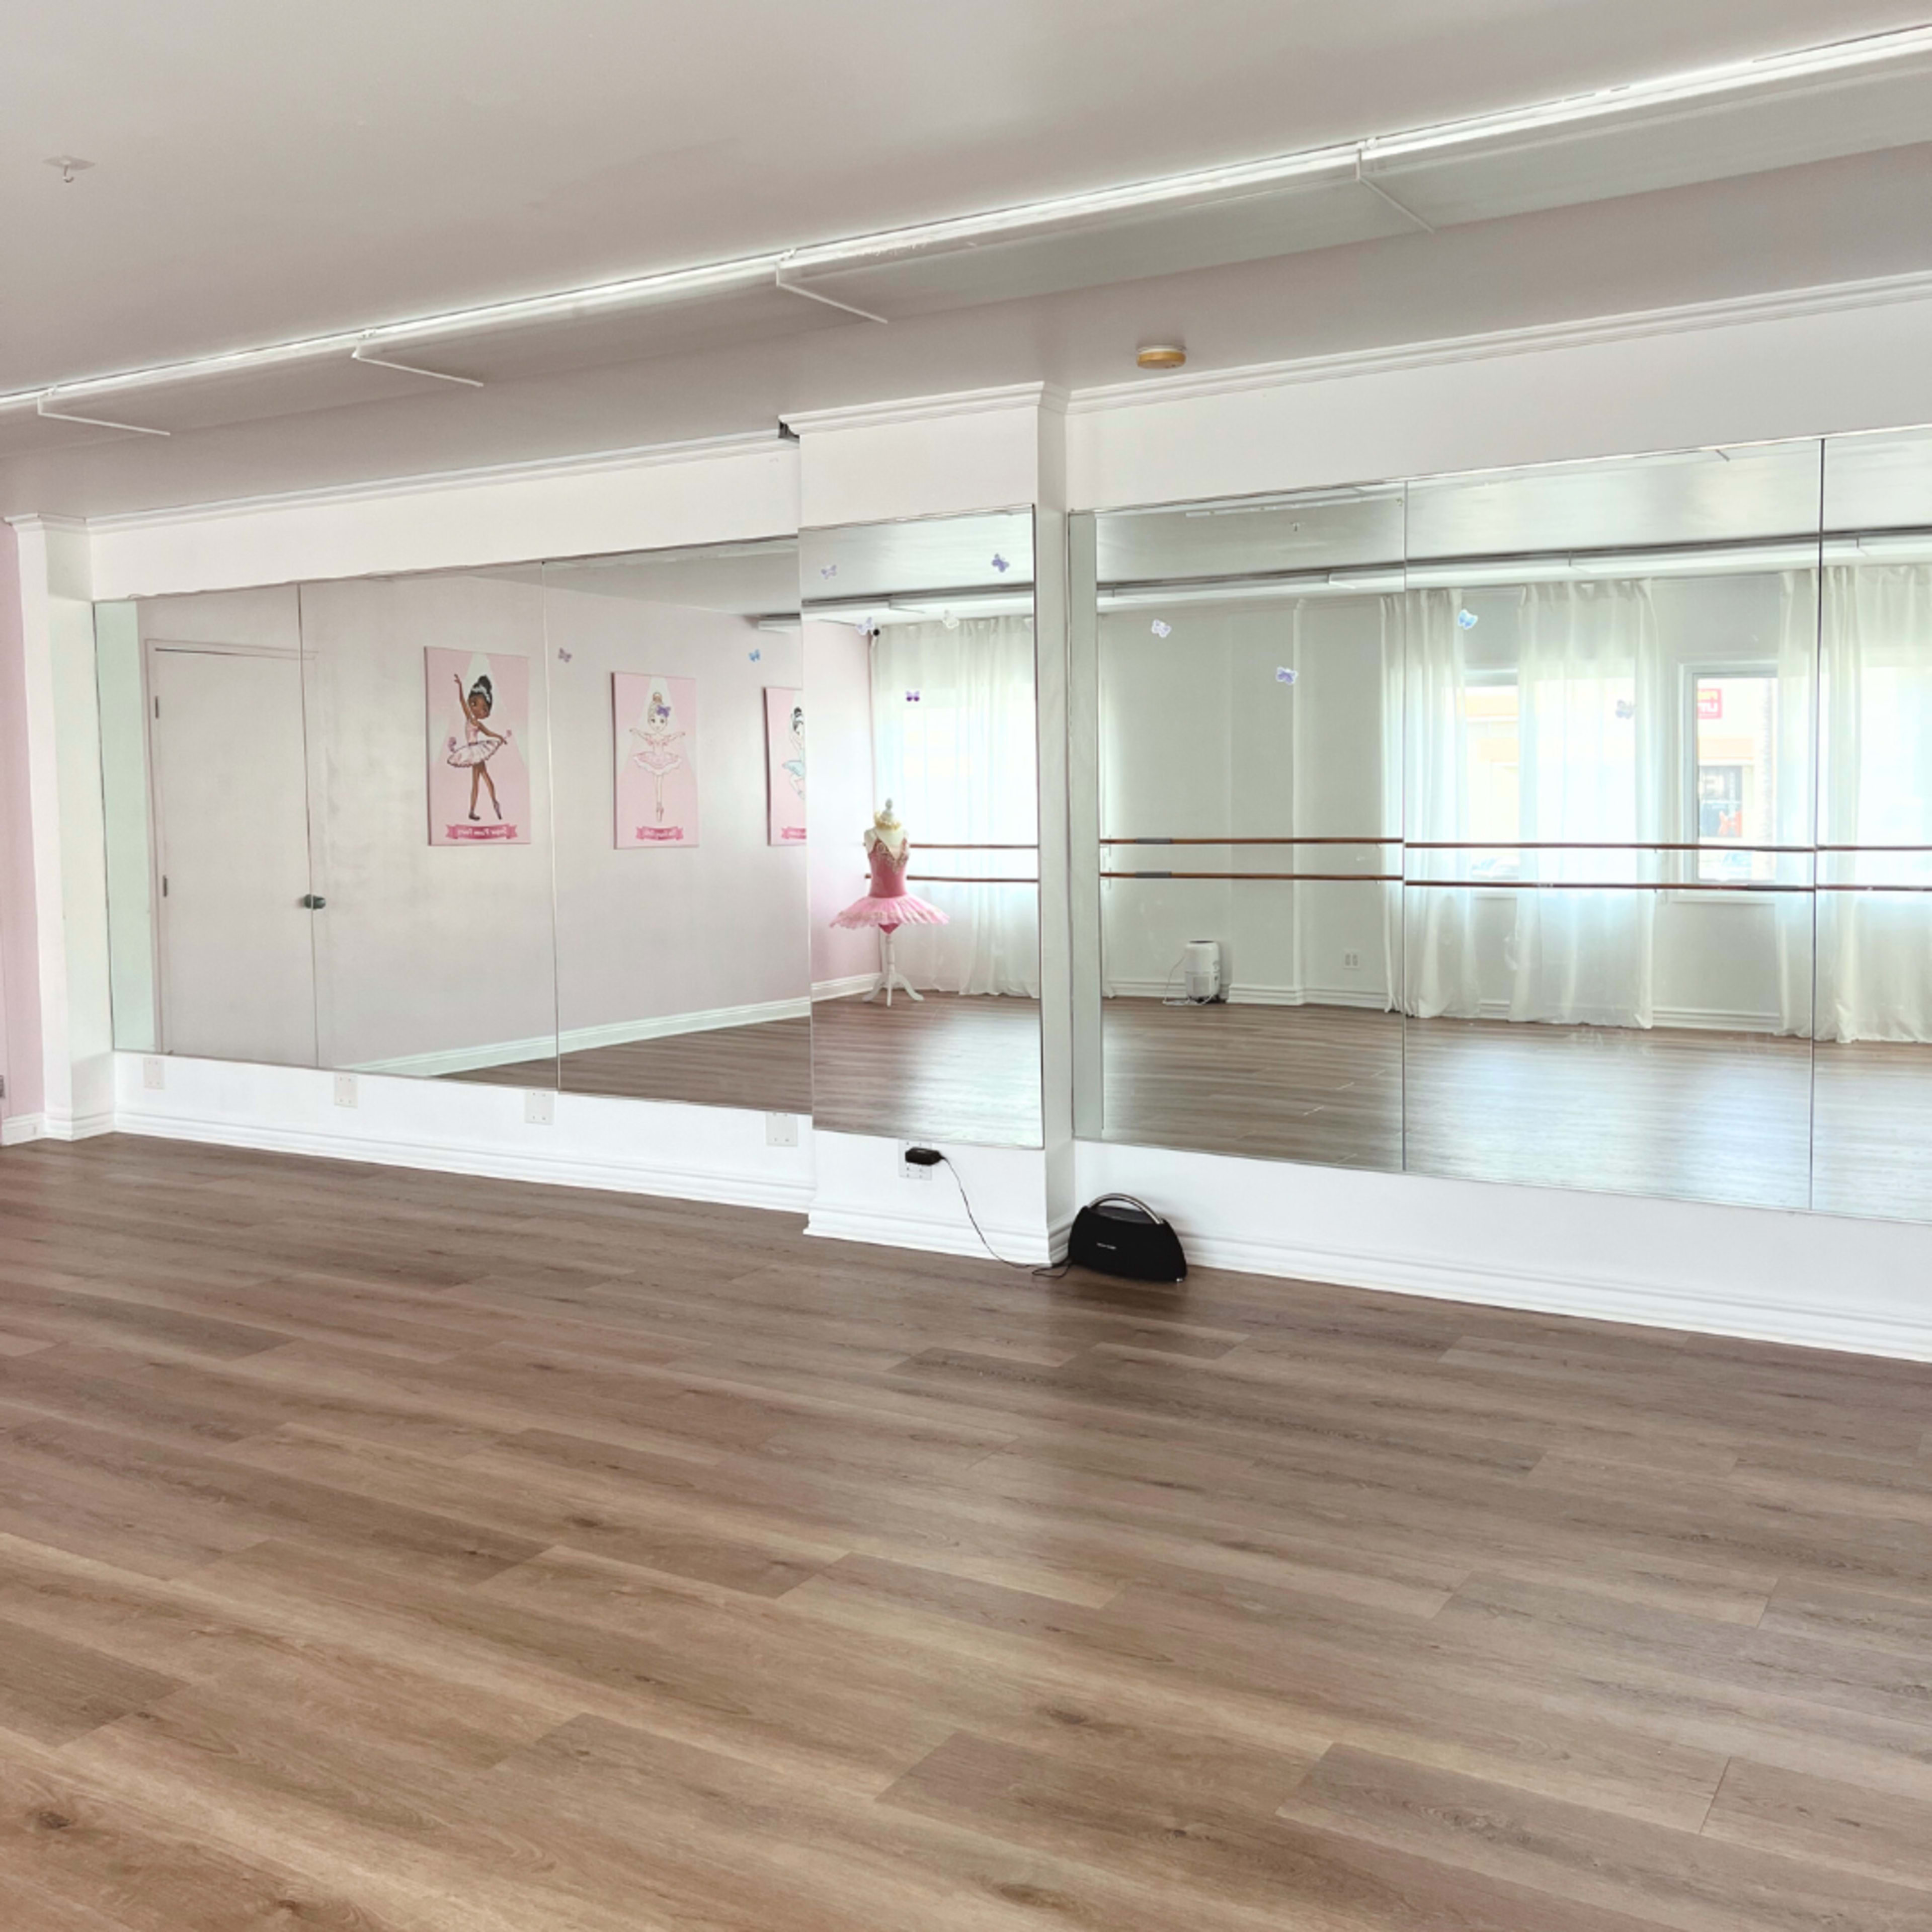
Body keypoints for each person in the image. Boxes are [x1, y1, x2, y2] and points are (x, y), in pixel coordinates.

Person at [445, 670, 508, 822]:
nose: (478, 710)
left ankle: (486, 806)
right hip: (473, 751)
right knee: (481, 779)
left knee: (482, 780)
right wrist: (460, 685)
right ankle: (489, 805)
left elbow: (489, 733)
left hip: (475, 751)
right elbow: (462, 701)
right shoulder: (470, 717)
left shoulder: (477, 723)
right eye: (474, 704)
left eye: (484, 709)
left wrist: (499, 737)